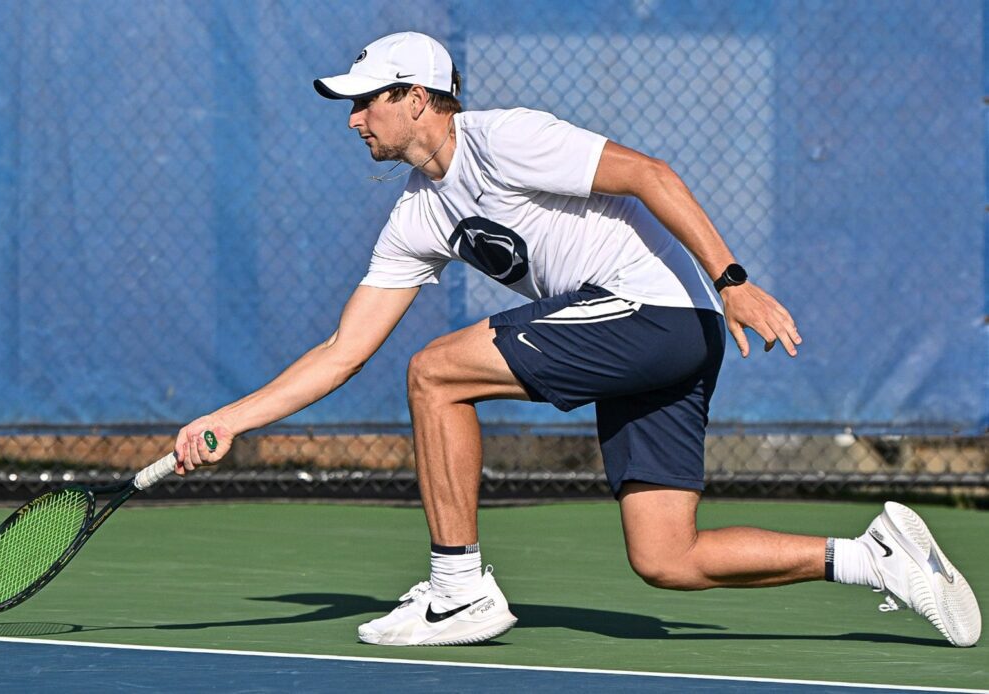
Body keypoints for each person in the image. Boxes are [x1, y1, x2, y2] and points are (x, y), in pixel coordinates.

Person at [174, 32, 980, 648]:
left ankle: (459, 589)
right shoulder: (417, 215)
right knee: (667, 556)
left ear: (416, 98)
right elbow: (342, 351)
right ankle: (873, 559)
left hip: (657, 312)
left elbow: (653, 175)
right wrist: (230, 421)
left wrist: (732, 280)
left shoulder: (503, 138)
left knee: (434, 372)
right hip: (656, 335)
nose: (353, 120)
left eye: (366, 102)